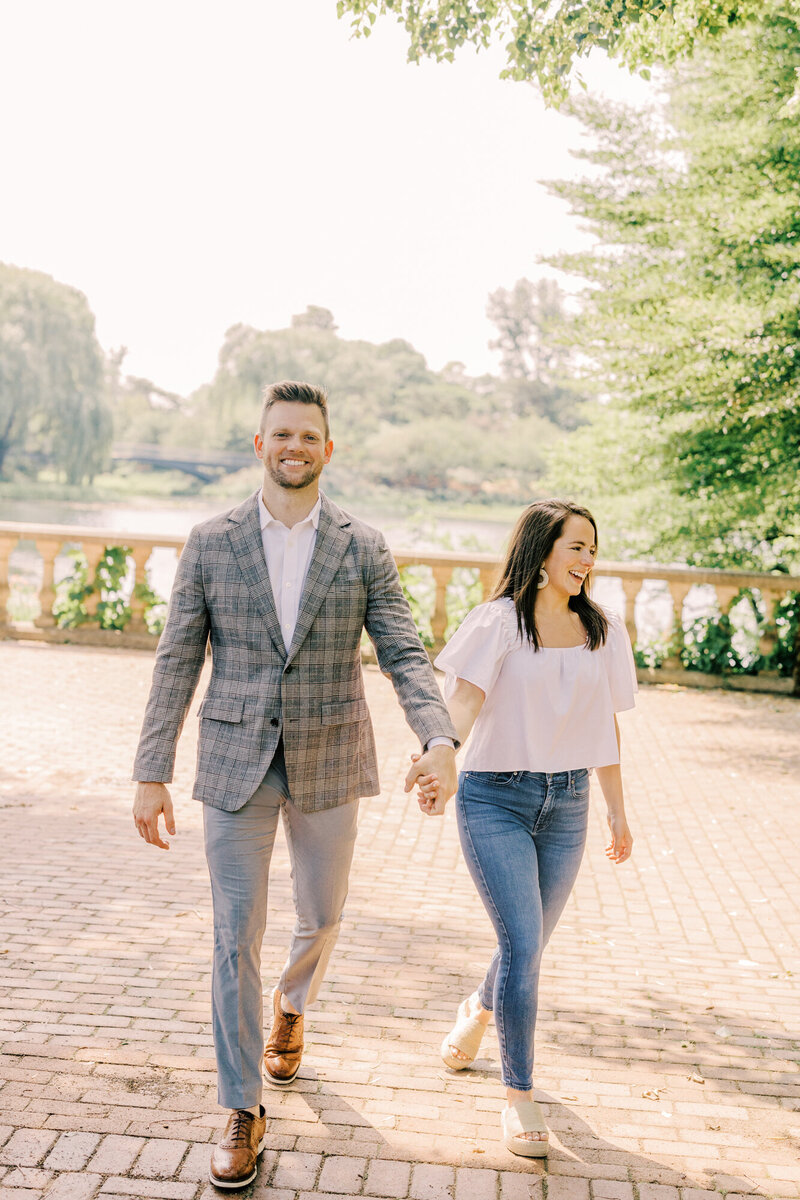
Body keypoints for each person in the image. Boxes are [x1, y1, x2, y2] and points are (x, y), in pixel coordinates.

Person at [132, 380, 458, 1190]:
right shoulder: (211, 542)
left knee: (322, 915)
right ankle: (242, 1107)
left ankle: (293, 1003)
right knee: (233, 931)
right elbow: (178, 657)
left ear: (328, 448)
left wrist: (440, 735)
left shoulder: (363, 545)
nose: (294, 447)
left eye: (309, 435)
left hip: (329, 758)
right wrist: (151, 769)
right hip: (234, 763)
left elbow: (405, 652)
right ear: (259, 445)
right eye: (281, 434)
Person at [414, 498, 636, 1158]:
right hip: (495, 801)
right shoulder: (500, 624)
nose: (587, 559)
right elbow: (463, 702)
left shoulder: (604, 631)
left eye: (593, 548)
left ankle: (480, 1011)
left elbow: (606, 726)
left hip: (567, 805)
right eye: (576, 547)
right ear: (542, 554)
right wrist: (438, 752)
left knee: (526, 944)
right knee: (521, 943)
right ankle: (519, 1098)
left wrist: (618, 809)